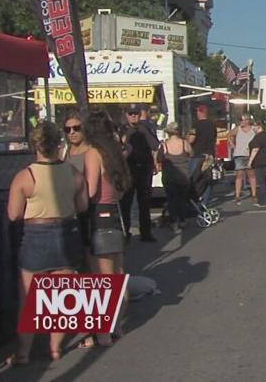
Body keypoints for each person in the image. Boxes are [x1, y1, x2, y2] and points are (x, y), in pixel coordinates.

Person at [5, 122, 88, 366]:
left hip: (35, 236)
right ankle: (54, 348)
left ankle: (23, 353)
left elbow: (13, 214)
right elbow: (82, 206)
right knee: (61, 297)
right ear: (58, 144)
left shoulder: (25, 176)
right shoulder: (73, 172)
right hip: (66, 231)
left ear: (35, 145)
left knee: (28, 299)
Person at [81, 111, 132, 347]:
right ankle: (118, 325)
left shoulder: (93, 153)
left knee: (101, 280)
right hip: (114, 214)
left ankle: (102, 332)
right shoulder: (115, 154)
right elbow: (122, 190)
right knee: (118, 275)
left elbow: (90, 191)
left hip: (97, 216)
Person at [120, 103, 157, 242]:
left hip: (144, 169)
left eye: (135, 113)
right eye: (131, 114)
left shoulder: (146, 128)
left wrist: (144, 130)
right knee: (126, 203)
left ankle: (146, 233)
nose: (133, 116)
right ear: (126, 115)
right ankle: (126, 233)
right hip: (129, 169)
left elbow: (155, 145)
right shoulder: (122, 130)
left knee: (144, 202)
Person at [62, 112, 92, 253]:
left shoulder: (92, 151)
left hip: (88, 205)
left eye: (76, 128)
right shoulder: (64, 152)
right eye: (68, 129)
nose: (72, 132)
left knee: (88, 249)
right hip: (68, 206)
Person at [158, 122, 193, 232]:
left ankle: (174, 222)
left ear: (168, 133)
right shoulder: (184, 143)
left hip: (169, 176)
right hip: (183, 176)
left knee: (172, 199)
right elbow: (191, 153)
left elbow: (159, 159)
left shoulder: (164, 145)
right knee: (182, 199)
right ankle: (182, 220)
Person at [187, 104, 217, 205]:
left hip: (197, 155)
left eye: (197, 112)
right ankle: (205, 202)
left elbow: (191, 139)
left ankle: (195, 201)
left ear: (200, 112)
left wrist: (185, 142)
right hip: (210, 155)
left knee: (195, 179)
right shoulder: (212, 125)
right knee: (207, 179)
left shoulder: (196, 125)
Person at [229, 115, 257, 204]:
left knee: (251, 175)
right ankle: (237, 195)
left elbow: (260, 135)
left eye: (243, 120)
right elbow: (229, 135)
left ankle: (254, 194)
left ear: (248, 121)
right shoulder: (238, 129)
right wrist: (233, 145)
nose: (242, 122)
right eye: (240, 120)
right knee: (239, 175)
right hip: (239, 154)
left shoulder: (254, 129)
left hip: (250, 155)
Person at [248, 121, 266, 207]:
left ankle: (264, 201)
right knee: (265, 181)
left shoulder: (259, 137)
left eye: (254, 126)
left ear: (259, 126)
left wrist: (250, 162)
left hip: (260, 162)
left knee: (261, 182)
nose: (252, 128)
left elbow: (255, 149)